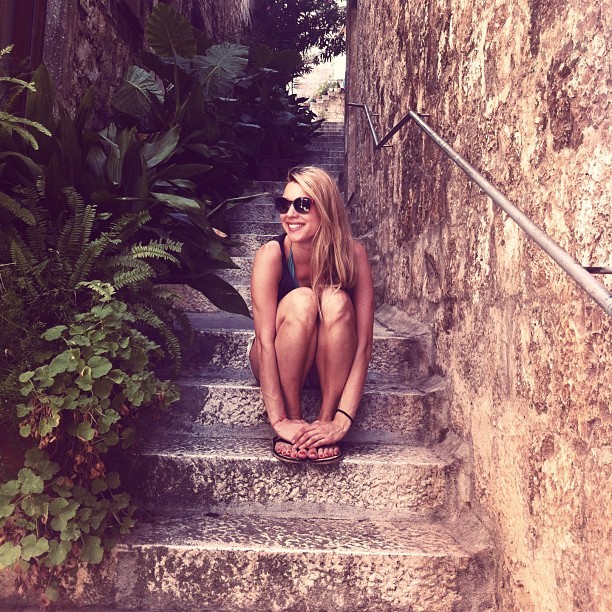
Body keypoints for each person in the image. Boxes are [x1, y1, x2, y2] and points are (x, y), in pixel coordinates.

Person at [248, 166, 374, 464]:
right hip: (277, 357)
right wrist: (280, 420)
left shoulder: (353, 255)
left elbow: (364, 346)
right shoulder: (271, 255)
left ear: (326, 208)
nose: (290, 214)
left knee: (336, 299)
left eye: (302, 204)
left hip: (328, 363)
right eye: (284, 204)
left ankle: (323, 419)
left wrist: (340, 421)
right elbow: (264, 342)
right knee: (303, 300)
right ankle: (296, 418)